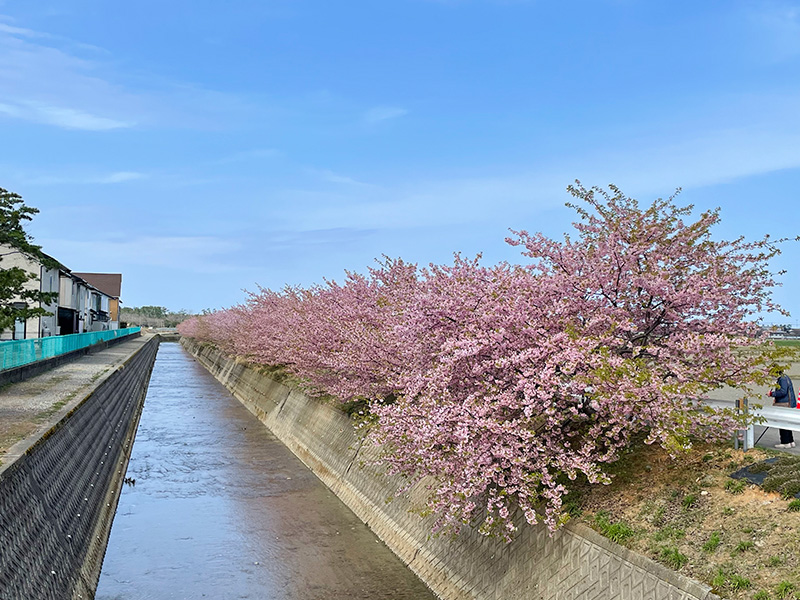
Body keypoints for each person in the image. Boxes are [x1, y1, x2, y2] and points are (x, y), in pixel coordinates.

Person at [768, 367, 796, 449]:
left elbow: (783, 392)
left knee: (782, 423)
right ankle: (790, 441)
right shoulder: (785, 377)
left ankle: (785, 442)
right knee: (786, 423)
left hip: (783, 403)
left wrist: (772, 394)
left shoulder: (782, 379)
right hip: (788, 403)